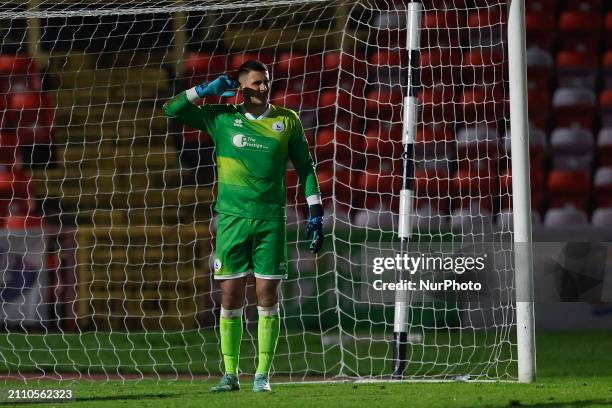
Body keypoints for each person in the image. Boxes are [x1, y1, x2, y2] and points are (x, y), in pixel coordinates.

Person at [163, 60, 324, 392]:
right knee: (230, 295)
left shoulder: (286, 120)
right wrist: (204, 91)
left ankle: (263, 374)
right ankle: (231, 373)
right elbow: (172, 111)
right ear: (241, 87)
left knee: (267, 295)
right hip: (232, 221)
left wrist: (315, 212)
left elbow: (306, 167)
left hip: (270, 222)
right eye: (256, 83)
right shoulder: (222, 118)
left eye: (266, 82)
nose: (263, 88)